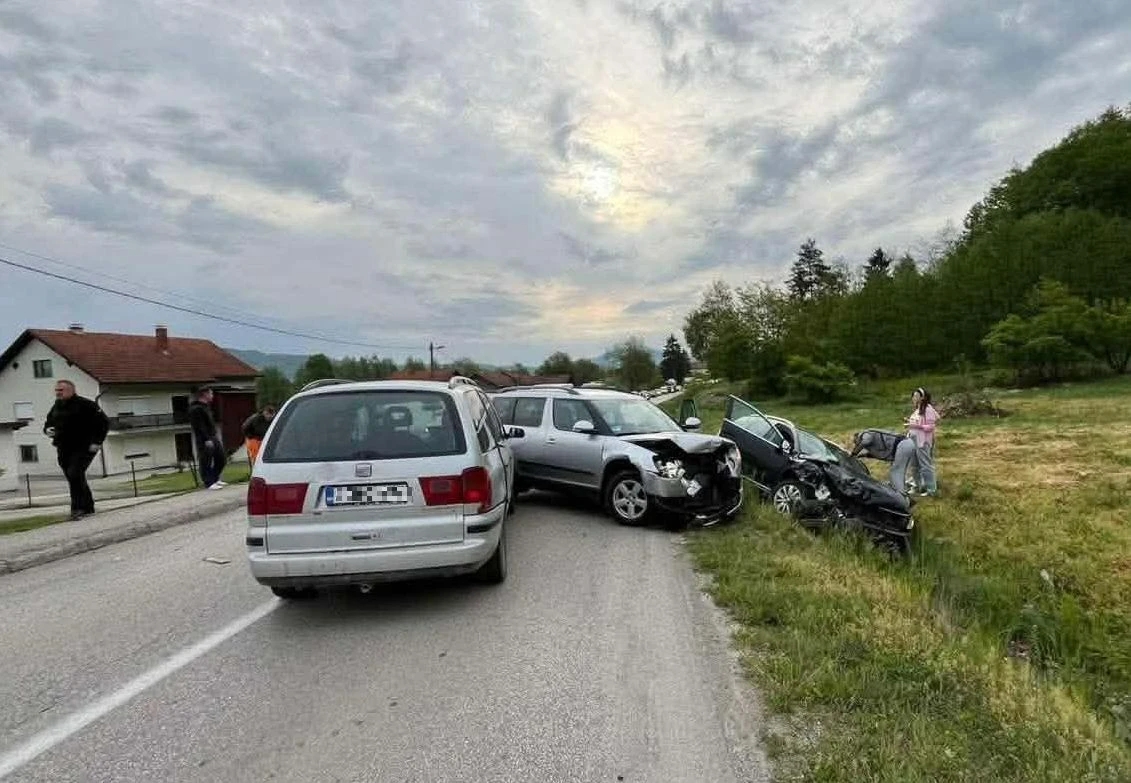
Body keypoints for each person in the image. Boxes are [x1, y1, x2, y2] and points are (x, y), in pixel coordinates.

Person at [43, 380, 109, 520]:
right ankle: (88, 506)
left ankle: (77, 508)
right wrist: (47, 430)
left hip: (84, 447)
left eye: (61, 390)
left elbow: (103, 423)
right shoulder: (57, 405)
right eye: (56, 390)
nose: (58, 393)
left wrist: (97, 442)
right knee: (74, 476)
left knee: (74, 473)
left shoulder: (86, 404)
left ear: (71, 390)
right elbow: (48, 422)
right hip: (63, 446)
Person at [188, 387, 227, 489]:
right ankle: (208, 482)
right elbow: (199, 426)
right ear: (205, 394)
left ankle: (215, 478)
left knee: (221, 458)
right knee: (206, 460)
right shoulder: (196, 409)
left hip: (213, 435)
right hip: (204, 438)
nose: (212, 396)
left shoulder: (206, 407)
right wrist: (206, 439)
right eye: (211, 394)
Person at [905, 387, 940, 497]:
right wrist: (909, 422)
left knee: (925, 465)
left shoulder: (928, 409)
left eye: (916, 396)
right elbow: (916, 423)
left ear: (922, 397)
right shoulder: (917, 409)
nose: (914, 398)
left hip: (923, 440)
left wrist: (916, 425)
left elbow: (931, 426)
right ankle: (917, 486)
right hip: (913, 439)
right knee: (914, 464)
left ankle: (931, 489)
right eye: (913, 396)